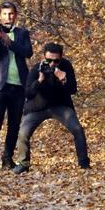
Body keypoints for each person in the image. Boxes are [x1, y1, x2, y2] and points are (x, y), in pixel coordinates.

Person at [12, 42, 90, 174]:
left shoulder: (66, 66)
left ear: (61, 58)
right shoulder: (37, 68)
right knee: (23, 133)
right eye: (49, 60)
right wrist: (40, 80)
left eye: (56, 60)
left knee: (77, 129)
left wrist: (63, 79)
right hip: (37, 107)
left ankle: (84, 163)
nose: (52, 63)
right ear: (44, 57)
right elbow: (28, 93)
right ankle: (23, 163)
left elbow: (73, 89)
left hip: (60, 106)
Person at [0, 1, 33, 172]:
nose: (8, 17)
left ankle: (7, 158)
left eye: (11, 14)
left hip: (19, 86)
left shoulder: (22, 33)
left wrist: (9, 41)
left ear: (16, 15)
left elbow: (28, 52)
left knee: (14, 125)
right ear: (0, 16)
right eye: (5, 14)